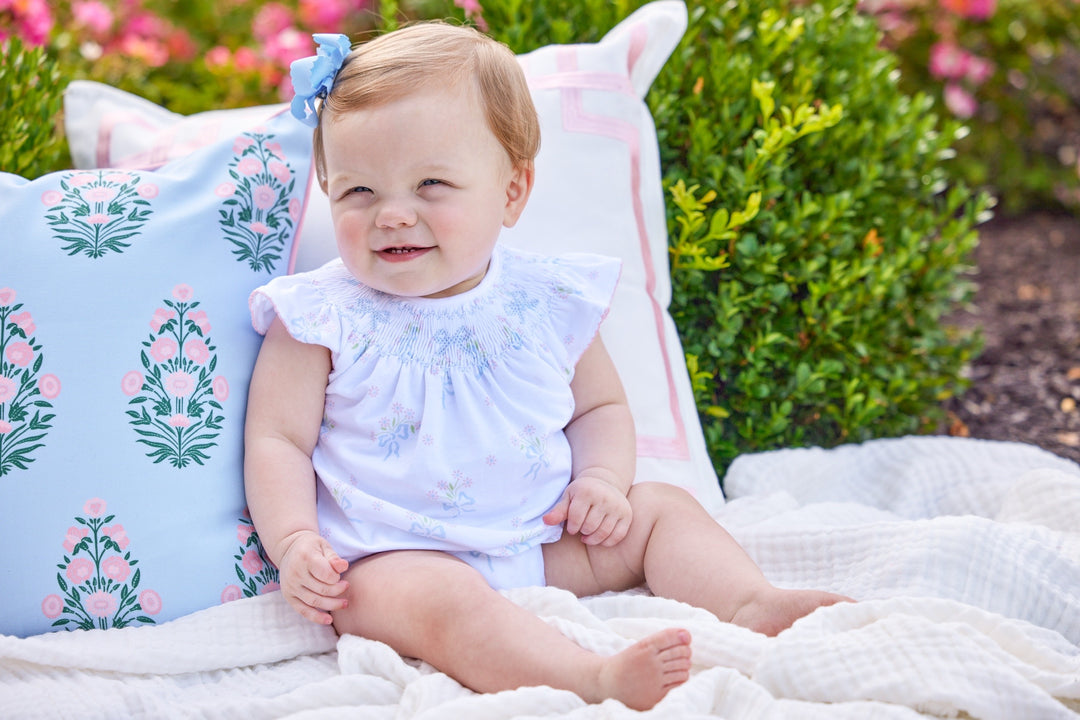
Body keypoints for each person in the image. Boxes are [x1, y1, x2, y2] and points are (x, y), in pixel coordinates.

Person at [244, 23, 851, 712]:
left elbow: (601, 409)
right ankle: (588, 678)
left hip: (544, 541)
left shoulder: (545, 300)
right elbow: (276, 440)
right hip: (391, 563)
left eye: (431, 183)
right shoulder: (319, 317)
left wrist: (600, 481)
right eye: (358, 192)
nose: (393, 215)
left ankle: (748, 601)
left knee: (659, 510)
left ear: (511, 192)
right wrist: (295, 542)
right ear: (328, 188)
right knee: (448, 601)